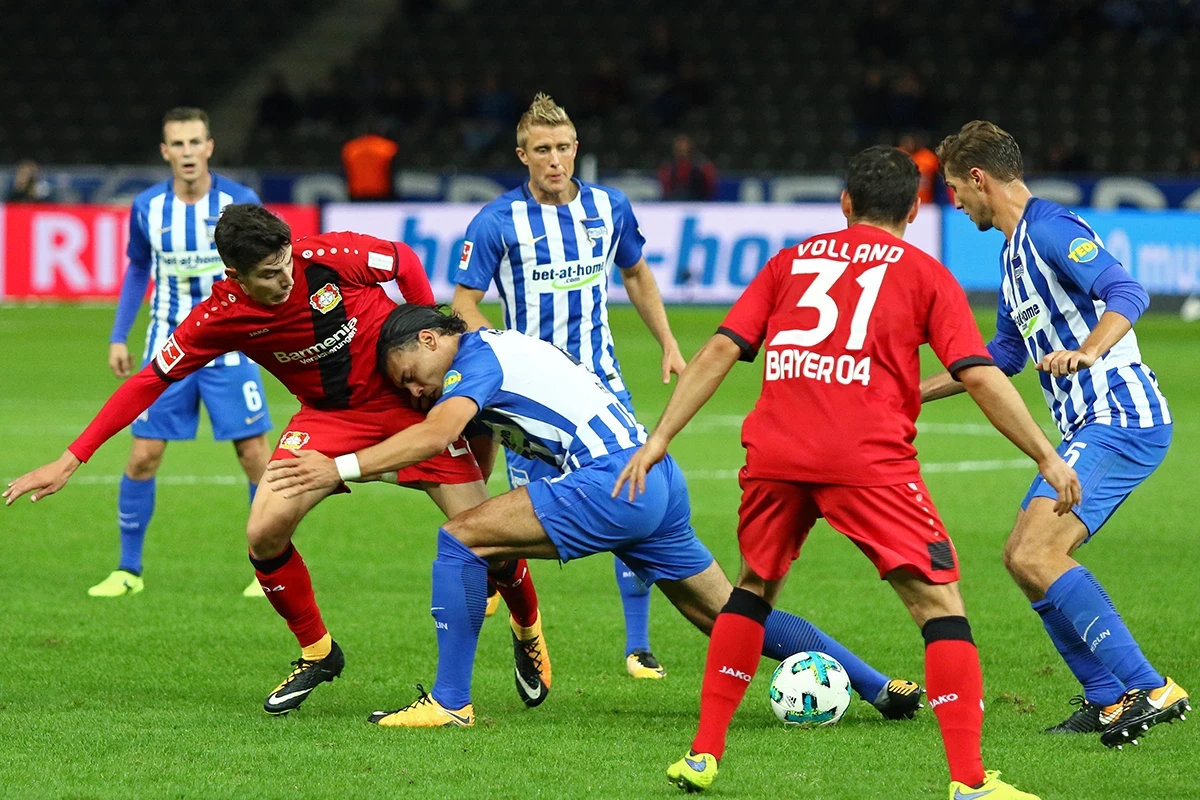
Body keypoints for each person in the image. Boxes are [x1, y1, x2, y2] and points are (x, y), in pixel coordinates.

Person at [617, 146, 1077, 797]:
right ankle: (971, 782)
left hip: (776, 452)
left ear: (844, 204)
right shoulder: (925, 274)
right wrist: (1046, 453)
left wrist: (661, 434)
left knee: (753, 588)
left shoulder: (789, 261)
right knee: (939, 604)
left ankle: (701, 755)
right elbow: (977, 373)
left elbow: (723, 346)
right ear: (915, 209)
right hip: (866, 458)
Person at [264, 304, 925, 729]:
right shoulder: (499, 351)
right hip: (655, 477)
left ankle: (450, 702)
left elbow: (440, 435)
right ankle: (879, 688)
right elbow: (479, 440)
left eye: (410, 371)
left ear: (432, 338)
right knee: (729, 614)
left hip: (611, 481)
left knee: (459, 539)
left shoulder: (475, 360)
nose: (413, 387)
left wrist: (341, 468)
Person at [3, 205, 548, 718]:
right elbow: (149, 380)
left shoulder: (328, 256)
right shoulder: (219, 316)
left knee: (484, 534)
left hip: (406, 400)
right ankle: (319, 652)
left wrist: (425, 344)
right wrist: (71, 459)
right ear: (234, 273)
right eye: (269, 273)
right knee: (263, 532)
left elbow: (402, 260)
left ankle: (527, 630)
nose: (286, 278)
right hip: (328, 419)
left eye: (286, 262)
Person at [924, 120, 1190, 748]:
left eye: (957, 188)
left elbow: (1127, 290)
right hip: (1093, 424)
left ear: (981, 179)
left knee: (1038, 553)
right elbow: (1001, 358)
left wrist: (1087, 350)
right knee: (1021, 557)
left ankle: (1150, 687)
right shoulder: (1013, 254)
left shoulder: (1050, 229)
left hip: (1120, 417)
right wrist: (910, 394)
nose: (955, 202)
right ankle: (1106, 698)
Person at [452, 93, 686, 680]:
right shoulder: (496, 221)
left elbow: (635, 272)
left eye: (562, 148)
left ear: (576, 149)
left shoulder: (610, 207)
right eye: (542, 151)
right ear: (522, 155)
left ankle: (638, 645)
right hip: (531, 405)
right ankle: (524, 627)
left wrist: (668, 341)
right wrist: (507, 357)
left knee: (634, 503)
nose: (554, 160)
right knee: (513, 526)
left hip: (604, 389)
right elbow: (462, 305)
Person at [94, 107, 273, 599]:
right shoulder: (148, 207)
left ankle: (268, 568)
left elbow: (272, 266)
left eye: (196, 142)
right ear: (165, 151)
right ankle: (128, 570)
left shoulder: (241, 201)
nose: (188, 153)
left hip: (231, 350)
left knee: (255, 455)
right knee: (144, 456)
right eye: (178, 144)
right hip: (166, 348)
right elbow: (136, 268)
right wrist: (117, 335)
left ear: (210, 146)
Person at [341, 121, 398, 201]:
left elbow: (346, 172)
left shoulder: (351, 148)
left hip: (357, 194)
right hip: (381, 194)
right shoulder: (388, 148)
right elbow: (392, 173)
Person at [659, 133, 718, 201]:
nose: (682, 148)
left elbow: (710, 185)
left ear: (690, 146)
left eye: (684, 145)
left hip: (698, 200)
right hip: (674, 201)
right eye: (679, 145)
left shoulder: (701, 164)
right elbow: (664, 187)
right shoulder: (668, 165)